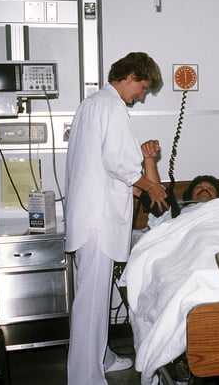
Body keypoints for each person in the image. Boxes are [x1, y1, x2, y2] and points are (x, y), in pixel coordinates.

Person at [65, 52, 168, 385]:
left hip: (90, 216)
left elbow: (105, 168)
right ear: (132, 75)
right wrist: (152, 188)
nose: (141, 96)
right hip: (98, 221)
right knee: (91, 305)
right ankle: (85, 378)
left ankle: (103, 358)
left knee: (92, 300)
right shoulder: (112, 107)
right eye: (143, 88)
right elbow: (121, 166)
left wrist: (140, 189)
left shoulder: (91, 104)